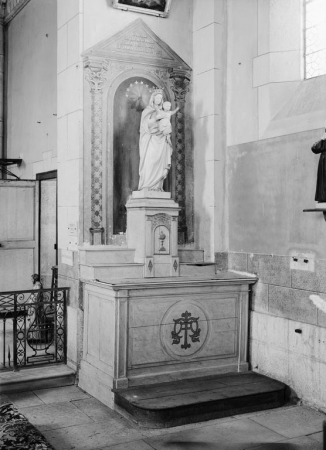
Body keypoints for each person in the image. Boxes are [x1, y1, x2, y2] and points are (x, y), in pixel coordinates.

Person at [138, 89, 173, 191]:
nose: (158, 100)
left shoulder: (163, 111)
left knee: (161, 164)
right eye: (157, 98)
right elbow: (145, 126)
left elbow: (166, 125)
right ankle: (147, 185)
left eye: (160, 98)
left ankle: (157, 186)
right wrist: (156, 119)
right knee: (150, 162)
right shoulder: (147, 111)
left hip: (161, 140)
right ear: (153, 98)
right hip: (151, 139)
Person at [311, 130, 326, 202]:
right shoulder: (323, 141)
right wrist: (322, 139)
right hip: (324, 164)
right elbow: (314, 148)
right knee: (323, 182)